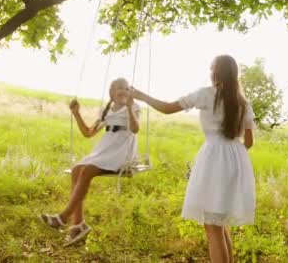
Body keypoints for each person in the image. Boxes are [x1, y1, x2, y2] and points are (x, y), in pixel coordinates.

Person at [131, 55, 255, 263]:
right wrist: (233, 155)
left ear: (216, 72)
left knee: (212, 225)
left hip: (214, 158)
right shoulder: (243, 102)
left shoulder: (206, 94)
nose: (210, 72)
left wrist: (143, 97)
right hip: (236, 159)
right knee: (220, 222)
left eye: (211, 68)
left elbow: (169, 108)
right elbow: (249, 142)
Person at [39, 77, 140, 246]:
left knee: (87, 171)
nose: (123, 91)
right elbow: (88, 133)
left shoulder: (134, 107)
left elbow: (135, 129)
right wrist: (77, 113)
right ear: (112, 92)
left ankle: (63, 218)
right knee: (77, 168)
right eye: (119, 88)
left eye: (126, 88)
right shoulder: (106, 111)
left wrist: (129, 107)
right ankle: (78, 224)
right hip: (105, 150)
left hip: (122, 151)